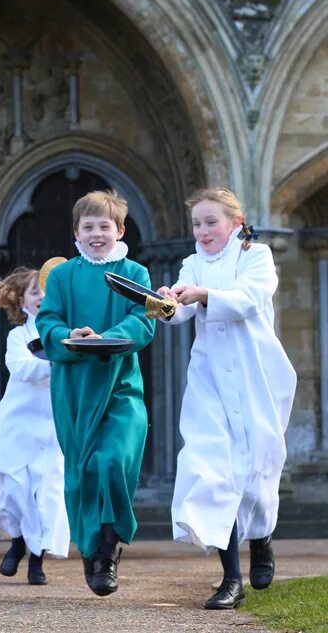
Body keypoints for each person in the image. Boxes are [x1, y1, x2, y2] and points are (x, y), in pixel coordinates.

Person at [157, 188, 296, 610]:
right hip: (210, 379)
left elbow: (250, 301)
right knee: (211, 468)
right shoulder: (191, 263)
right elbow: (179, 310)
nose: (202, 231)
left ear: (235, 222)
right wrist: (166, 302)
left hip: (256, 375)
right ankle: (230, 579)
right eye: (196, 223)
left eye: (210, 222)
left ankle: (262, 539)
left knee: (256, 471)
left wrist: (202, 296)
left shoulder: (257, 255)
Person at [35, 189, 155, 597]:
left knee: (112, 460)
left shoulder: (135, 273)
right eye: (88, 226)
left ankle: (109, 545)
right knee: (83, 472)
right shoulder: (64, 276)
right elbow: (48, 321)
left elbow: (144, 318)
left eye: (105, 226)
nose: (97, 233)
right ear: (76, 231)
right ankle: (90, 548)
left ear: (120, 229)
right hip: (74, 388)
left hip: (120, 384)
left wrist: (111, 336)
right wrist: (68, 334)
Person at [0, 265, 69, 585]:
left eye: (48, 290)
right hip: (17, 424)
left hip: (51, 426)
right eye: (35, 291)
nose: (42, 297)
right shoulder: (18, 336)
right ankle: (17, 541)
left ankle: (37, 560)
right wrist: (55, 362)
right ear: (21, 301)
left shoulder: (66, 332)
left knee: (46, 492)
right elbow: (21, 368)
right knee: (16, 488)